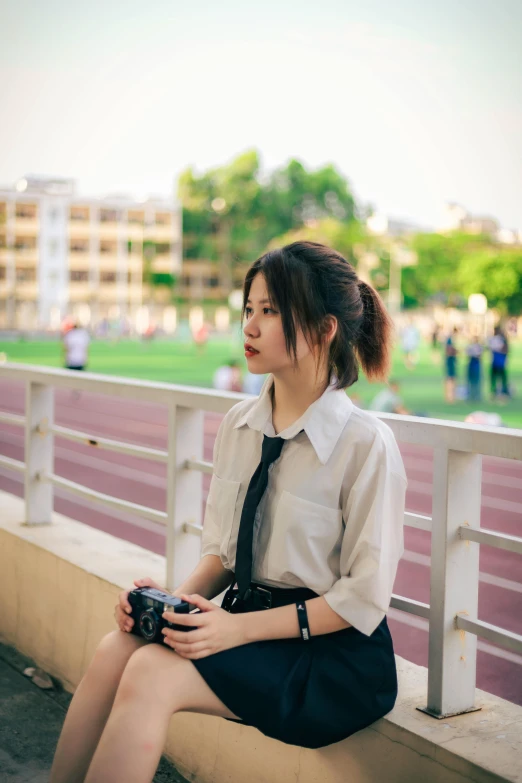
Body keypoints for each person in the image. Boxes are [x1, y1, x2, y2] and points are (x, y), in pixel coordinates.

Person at [50, 241, 407, 782]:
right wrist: (168, 605)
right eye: (248, 310)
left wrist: (236, 632)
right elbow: (222, 552)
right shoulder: (240, 424)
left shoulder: (366, 444)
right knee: (119, 644)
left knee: (151, 671)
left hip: (332, 658)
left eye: (270, 312)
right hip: (242, 624)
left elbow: (362, 599)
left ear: (325, 328)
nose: (250, 327)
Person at [489, 326, 510, 399]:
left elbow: (505, 350)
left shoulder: (501, 339)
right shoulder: (493, 339)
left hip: (500, 363)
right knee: (494, 378)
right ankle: (494, 392)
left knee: (502, 378)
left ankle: (503, 392)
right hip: (495, 362)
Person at [465, 335, 483, 402]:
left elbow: (479, 356)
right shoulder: (471, 346)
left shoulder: (478, 347)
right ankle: (471, 396)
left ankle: (476, 396)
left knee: (477, 381)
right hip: (472, 364)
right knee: (471, 381)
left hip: (476, 364)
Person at [444, 327, 459, 403]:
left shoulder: (451, 340)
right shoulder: (450, 340)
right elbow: (448, 351)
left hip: (452, 363)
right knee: (450, 379)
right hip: (450, 363)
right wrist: (455, 351)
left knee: (452, 379)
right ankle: (449, 397)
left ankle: (451, 396)